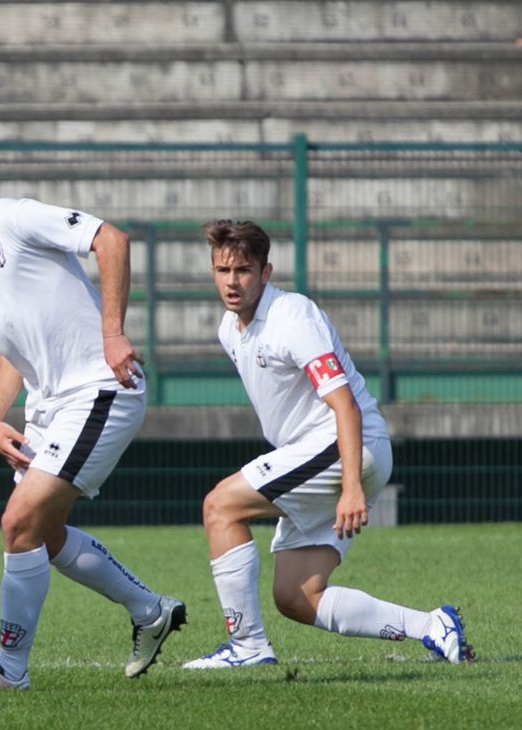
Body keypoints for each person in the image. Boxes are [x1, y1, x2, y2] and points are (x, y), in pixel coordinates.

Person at [0, 132, 185, 690]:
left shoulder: (15, 218)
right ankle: (151, 611)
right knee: (45, 534)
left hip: (100, 388)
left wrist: (113, 334)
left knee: (18, 521)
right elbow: (12, 344)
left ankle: (11, 671)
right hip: (50, 405)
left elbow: (112, 239)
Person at [183, 220, 474, 670]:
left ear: (266, 272)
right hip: (324, 455)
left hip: (345, 447)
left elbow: (345, 406)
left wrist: (352, 487)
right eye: (223, 270)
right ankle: (433, 626)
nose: (232, 281)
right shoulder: (230, 329)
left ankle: (246, 647)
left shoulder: (292, 316)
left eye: (243, 269)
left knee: (220, 505)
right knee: (296, 596)